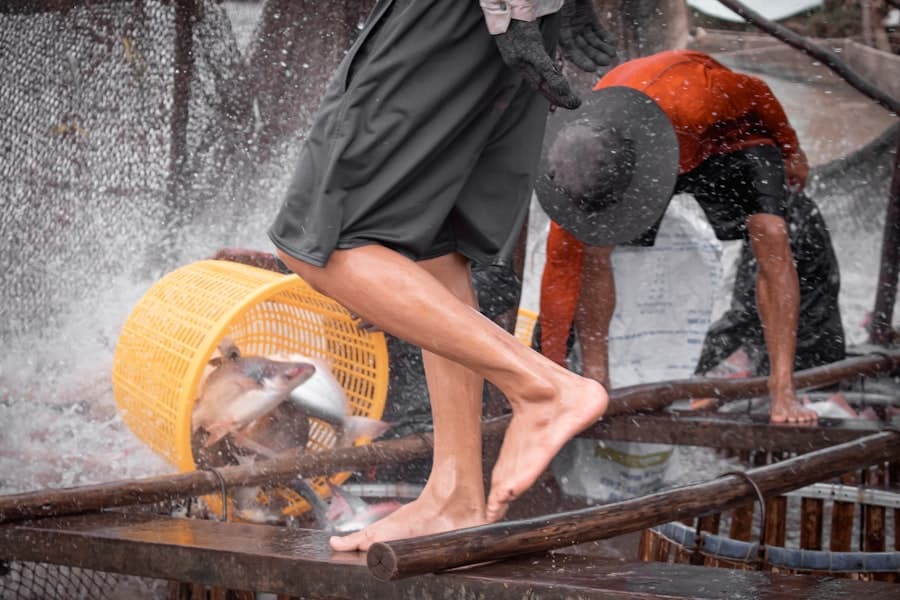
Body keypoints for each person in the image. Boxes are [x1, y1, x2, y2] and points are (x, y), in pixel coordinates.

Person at [266, 0, 617, 552]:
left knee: (320, 244)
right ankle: (454, 498)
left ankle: (545, 389)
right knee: (432, 245)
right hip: (508, 19)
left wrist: (517, 11)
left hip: (467, 14)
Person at [534, 49, 818, 424]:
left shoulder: (695, 101)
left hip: (727, 140)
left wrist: (791, 149)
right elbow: (558, 282)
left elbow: (757, 92)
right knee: (593, 248)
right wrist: (552, 381)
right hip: (645, 146)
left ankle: (782, 389)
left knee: (772, 232)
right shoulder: (578, 172)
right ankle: (596, 381)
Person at [694, 190, 846, 381]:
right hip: (819, 354)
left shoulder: (775, 223)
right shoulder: (784, 206)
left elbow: (745, 317)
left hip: (798, 366)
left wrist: (687, 362)